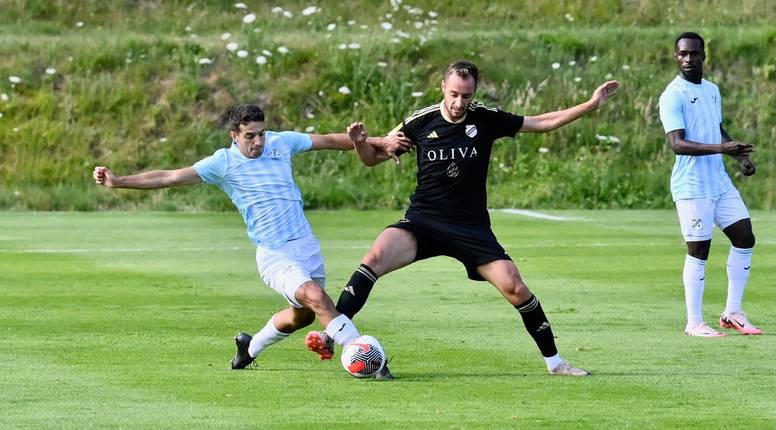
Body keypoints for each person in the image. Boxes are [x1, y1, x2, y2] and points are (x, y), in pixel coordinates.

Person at [317, 60, 620, 377]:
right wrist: (359, 142)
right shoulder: (419, 121)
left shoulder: (486, 118)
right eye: (454, 94)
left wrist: (590, 104)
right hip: (424, 220)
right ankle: (332, 334)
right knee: (375, 257)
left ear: (474, 92)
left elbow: (541, 122)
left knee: (516, 288)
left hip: (471, 228)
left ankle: (555, 363)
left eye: (467, 95)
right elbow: (371, 159)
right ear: (442, 88)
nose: (460, 102)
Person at [92, 104, 413, 371]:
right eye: (250, 136)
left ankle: (250, 347)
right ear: (234, 136)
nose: (258, 141)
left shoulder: (280, 142)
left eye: (261, 133)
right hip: (274, 255)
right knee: (315, 295)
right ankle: (365, 356)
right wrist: (119, 181)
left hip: (306, 248)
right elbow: (169, 176)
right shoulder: (223, 163)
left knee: (301, 316)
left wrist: (376, 140)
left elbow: (330, 140)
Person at [658, 32, 762, 337]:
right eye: (682, 54)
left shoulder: (712, 90)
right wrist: (722, 149)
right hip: (692, 185)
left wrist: (739, 157)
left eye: (694, 53)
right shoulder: (672, 94)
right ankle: (694, 322)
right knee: (699, 249)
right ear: (675, 57)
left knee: (744, 237)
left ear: (704, 55)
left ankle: (733, 313)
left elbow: (717, 128)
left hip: (718, 181)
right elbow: (677, 144)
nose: (688, 59)